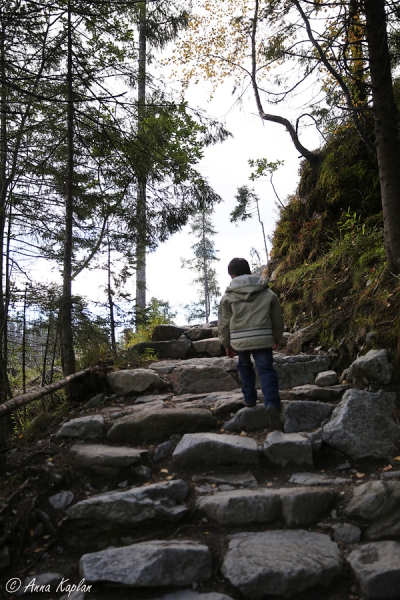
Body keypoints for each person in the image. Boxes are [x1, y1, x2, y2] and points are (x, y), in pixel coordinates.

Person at [218, 257, 284, 430]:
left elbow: (223, 323)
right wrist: (276, 339)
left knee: (244, 365)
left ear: (231, 276)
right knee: (266, 369)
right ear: (249, 272)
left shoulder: (228, 296)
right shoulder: (266, 292)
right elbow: (277, 319)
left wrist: (226, 344)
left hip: (239, 340)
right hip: (263, 337)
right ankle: (272, 403)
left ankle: (249, 398)